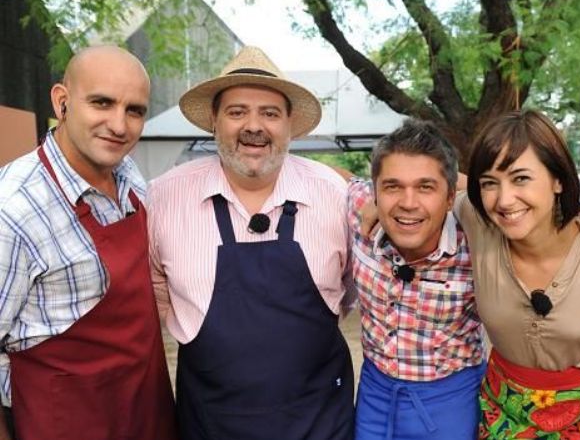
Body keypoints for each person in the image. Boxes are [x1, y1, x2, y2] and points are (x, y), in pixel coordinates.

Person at [148, 46, 355, 439]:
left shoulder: (334, 194)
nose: (253, 126)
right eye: (237, 112)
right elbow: (157, 294)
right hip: (210, 423)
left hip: (319, 422)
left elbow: (350, 290)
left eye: (270, 113)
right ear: (214, 121)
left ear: (290, 125)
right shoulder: (164, 198)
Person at [0, 45, 177, 440]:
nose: (119, 125)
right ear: (61, 102)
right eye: (102, 103)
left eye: (135, 111)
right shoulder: (12, 209)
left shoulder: (128, 175)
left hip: (148, 416)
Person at [456, 109, 580, 439]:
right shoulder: (479, 225)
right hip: (505, 416)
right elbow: (438, 179)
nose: (504, 200)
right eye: (490, 183)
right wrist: (379, 199)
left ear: (558, 179)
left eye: (521, 178)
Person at [346, 119, 485, 439]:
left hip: (450, 403)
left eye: (425, 187)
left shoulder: (479, 240)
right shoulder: (359, 208)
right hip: (375, 399)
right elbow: (328, 176)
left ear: (450, 198)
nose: (408, 203)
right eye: (392, 186)